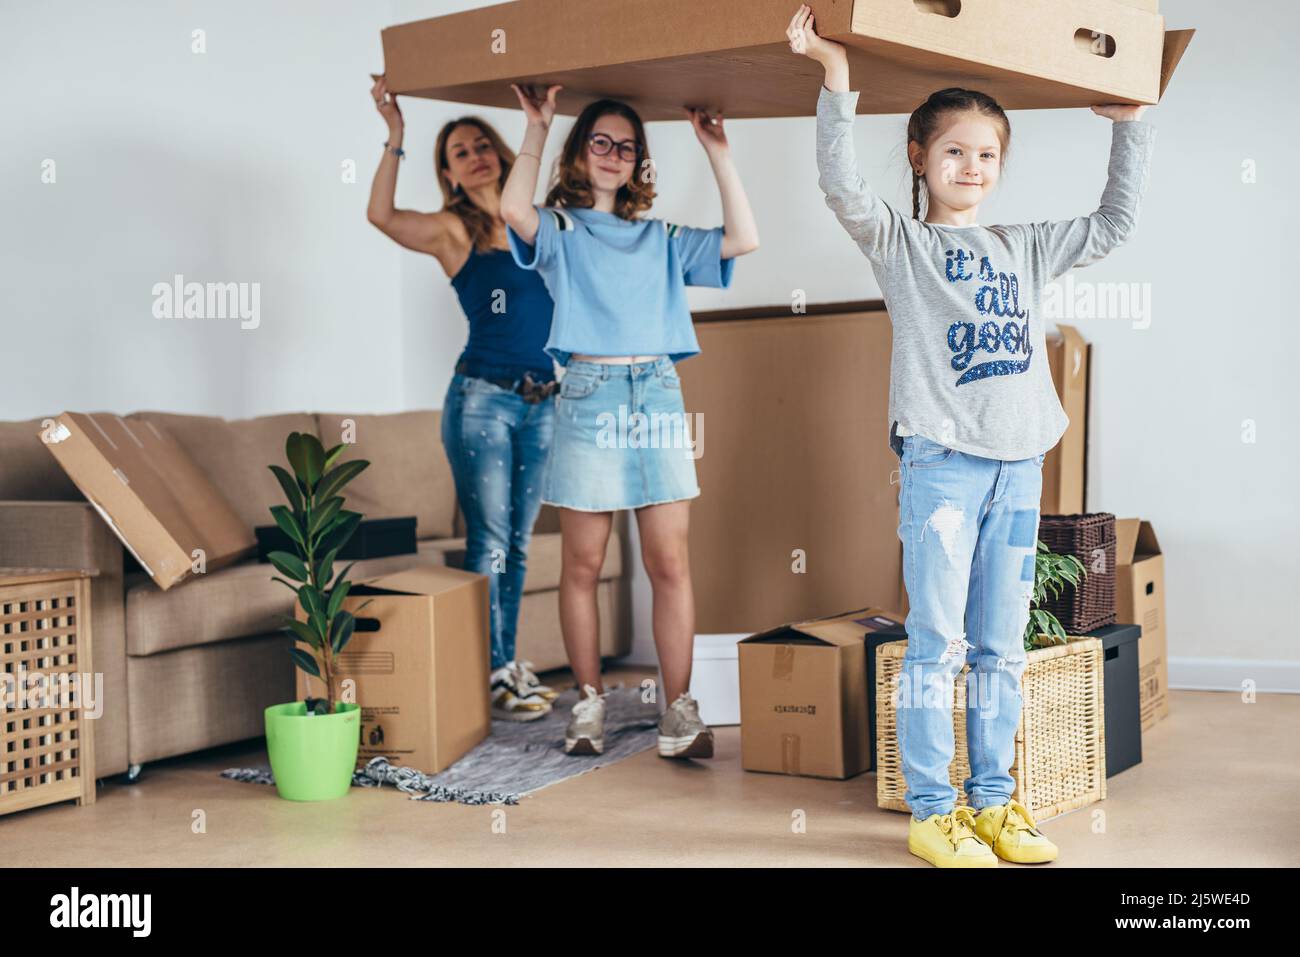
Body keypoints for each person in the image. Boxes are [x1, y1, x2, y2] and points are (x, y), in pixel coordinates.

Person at [788, 4, 1154, 866]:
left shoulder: (1020, 246)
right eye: (954, 150)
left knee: (1000, 643)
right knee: (938, 642)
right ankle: (930, 808)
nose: (972, 167)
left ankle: (995, 802)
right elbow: (842, 187)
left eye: (987, 154)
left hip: (1019, 466)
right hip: (943, 469)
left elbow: (1112, 225)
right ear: (920, 156)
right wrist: (835, 79)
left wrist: (1129, 129)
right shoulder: (902, 244)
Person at [500, 83, 760, 757]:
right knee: (584, 561)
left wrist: (718, 151)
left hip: (657, 392)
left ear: (638, 160)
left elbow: (744, 238)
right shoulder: (561, 227)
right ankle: (587, 704)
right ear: (580, 153)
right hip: (589, 392)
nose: (614, 155)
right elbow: (511, 208)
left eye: (627, 146)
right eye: (601, 142)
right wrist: (537, 125)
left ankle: (678, 713)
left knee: (669, 559)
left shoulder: (660, 236)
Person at [366, 74, 561, 722]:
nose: (475, 153)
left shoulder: (537, 222)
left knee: (521, 542)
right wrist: (396, 136)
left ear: (503, 152)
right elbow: (382, 217)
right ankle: (492, 671)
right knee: (492, 541)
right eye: (460, 152)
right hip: (482, 399)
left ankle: (503, 664)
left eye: (482, 143)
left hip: (544, 402)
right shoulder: (456, 230)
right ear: (449, 175)